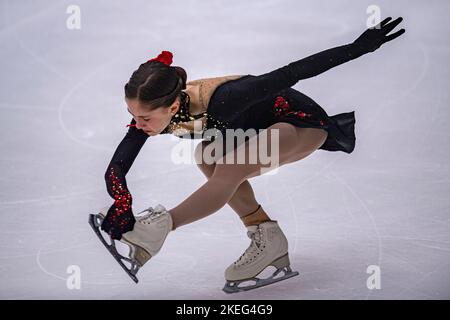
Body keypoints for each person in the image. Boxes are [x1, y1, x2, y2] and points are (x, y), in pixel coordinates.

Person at [89, 17, 405, 292]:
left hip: (299, 126)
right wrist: (122, 202)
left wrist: (358, 47)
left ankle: (160, 228)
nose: (138, 124)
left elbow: (291, 73)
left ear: (172, 107)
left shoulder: (223, 100)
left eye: (145, 118)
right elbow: (117, 167)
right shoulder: (150, 116)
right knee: (207, 156)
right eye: (133, 114)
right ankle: (266, 237)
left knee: (229, 165)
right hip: (253, 133)